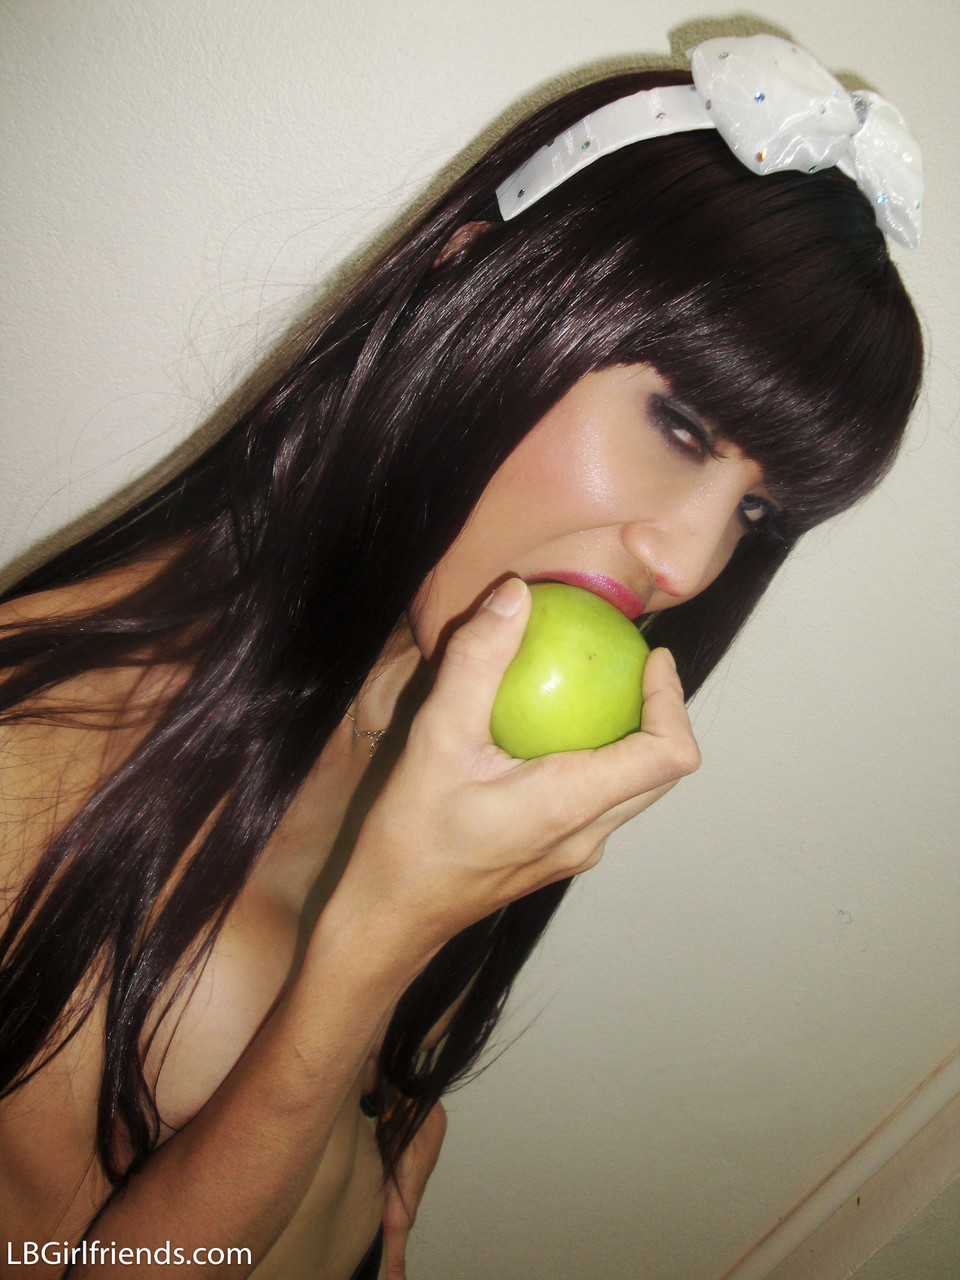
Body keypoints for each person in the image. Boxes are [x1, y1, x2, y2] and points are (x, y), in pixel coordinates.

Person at [0, 33, 923, 1280]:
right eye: (678, 424)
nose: (691, 560)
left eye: (757, 511)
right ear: (470, 293)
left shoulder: (429, 713)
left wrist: (379, 1137)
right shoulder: (34, 752)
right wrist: (369, 956)